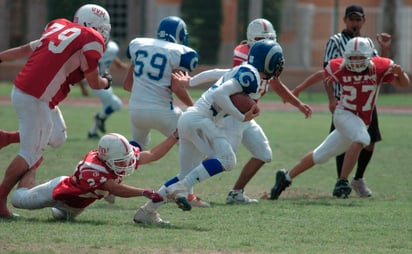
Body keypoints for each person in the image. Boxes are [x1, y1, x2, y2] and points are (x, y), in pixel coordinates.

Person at [133, 39, 285, 224]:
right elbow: (219, 94)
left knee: (184, 174)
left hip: (189, 119)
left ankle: (148, 210)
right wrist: (240, 116)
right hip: (200, 120)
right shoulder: (250, 75)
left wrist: (190, 81)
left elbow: (213, 74)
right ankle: (183, 187)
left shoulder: (243, 69)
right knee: (228, 160)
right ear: (268, 61)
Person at [0, 4, 112, 218]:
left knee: (57, 137)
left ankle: (8, 137)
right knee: (30, 152)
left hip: (30, 93)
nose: (104, 34)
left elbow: (25, 49)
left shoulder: (58, 25)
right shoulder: (91, 40)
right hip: (36, 98)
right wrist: (107, 82)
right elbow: (95, 84)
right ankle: (0, 198)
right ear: (94, 25)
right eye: (103, 29)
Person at [187, 18, 312, 204]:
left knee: (263, 154)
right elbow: (234, 87)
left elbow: (276, 83)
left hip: (247, 116)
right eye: (261, 38)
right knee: (223, 160)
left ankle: (236, 193)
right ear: (251, 39)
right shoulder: (244, 54)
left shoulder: (268, 53)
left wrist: (298, 104)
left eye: (269, 38)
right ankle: (184, 187)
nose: (265, 41)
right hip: (233, 114)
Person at [270, 37, 409, 200]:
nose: (356, 61)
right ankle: (342, 181)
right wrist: (299, 89)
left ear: (370, 56)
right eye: (353, 57)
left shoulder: (378, 67)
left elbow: (403, 84)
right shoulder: (340, 66)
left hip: (358, 121)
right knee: (363, 137)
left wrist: (401, 73)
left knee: (320, 155)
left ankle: (285, 177)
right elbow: (321, 75)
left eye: (360, 57)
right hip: (344, 114)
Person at [291, 4, 392, 198]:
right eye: (351, 19)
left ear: (364, 21)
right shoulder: (336, 41)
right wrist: (331, 98)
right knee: (340, 143)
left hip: (367, 99)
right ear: (345, 20)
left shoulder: (368, 43)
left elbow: (383, 67)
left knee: (369, 142)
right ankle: (341, 181)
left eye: (358, 19)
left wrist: (385, 49)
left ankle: (357, 178)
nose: (355, 22)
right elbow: (326, 72)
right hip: (344, 100)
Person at [123, 16, 208, 208]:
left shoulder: (139, 45)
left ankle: (112, 178)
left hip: (136, 109)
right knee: (191, 144)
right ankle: (187, 193)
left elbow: (128, 85)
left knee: (135, 148)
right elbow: (176, 86)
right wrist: (193, 106)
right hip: (162, 111)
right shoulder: (178, 52)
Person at [10, 132, 180, 221]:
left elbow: (152, 154)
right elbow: (114, 188)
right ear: (106, 158)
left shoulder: (117, 157)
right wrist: (145, 192)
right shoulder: (92, 168)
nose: (126, 164)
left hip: (76, 206)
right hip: (59, 192)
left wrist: (174, 136)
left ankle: (105, 197)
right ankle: (32, 165)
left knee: (59, 217)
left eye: (126, 159)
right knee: (18, 199)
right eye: (121, 161)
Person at [83, 40, 129, 139]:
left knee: (107, 107)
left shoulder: (112, 48)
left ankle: (93, 132)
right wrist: (82, 87)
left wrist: (120, 65)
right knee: (117, 104)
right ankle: (100, 117)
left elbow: (112, 56)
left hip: (105, 81)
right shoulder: (92, 50)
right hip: (94, 82)